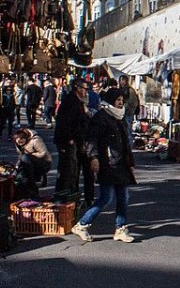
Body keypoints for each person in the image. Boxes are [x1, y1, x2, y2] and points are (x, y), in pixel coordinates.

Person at [71, 87, 138, 243]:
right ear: (110, 101)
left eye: (122, 100)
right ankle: (82, 224)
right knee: (106, 198)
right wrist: (93, 158)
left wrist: (131, 163)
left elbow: (125, 144)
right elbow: (92, 140)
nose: (121, 103)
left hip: (121, 164)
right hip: (107, 163)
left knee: (123, 197)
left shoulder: (119, 117)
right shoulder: (101, 117)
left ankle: (121, 229)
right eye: (118, 100)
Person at [55, 78, 93, 206]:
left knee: (73, 170)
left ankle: (71, 198)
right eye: (85, 88)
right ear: (77, 88)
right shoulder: (71, 101)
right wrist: (70, 139)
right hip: (68, 142)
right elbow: (64, 122)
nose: (86, 91)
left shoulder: (78, 101)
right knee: (68, 171)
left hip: (76, 140)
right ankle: (65, 199)